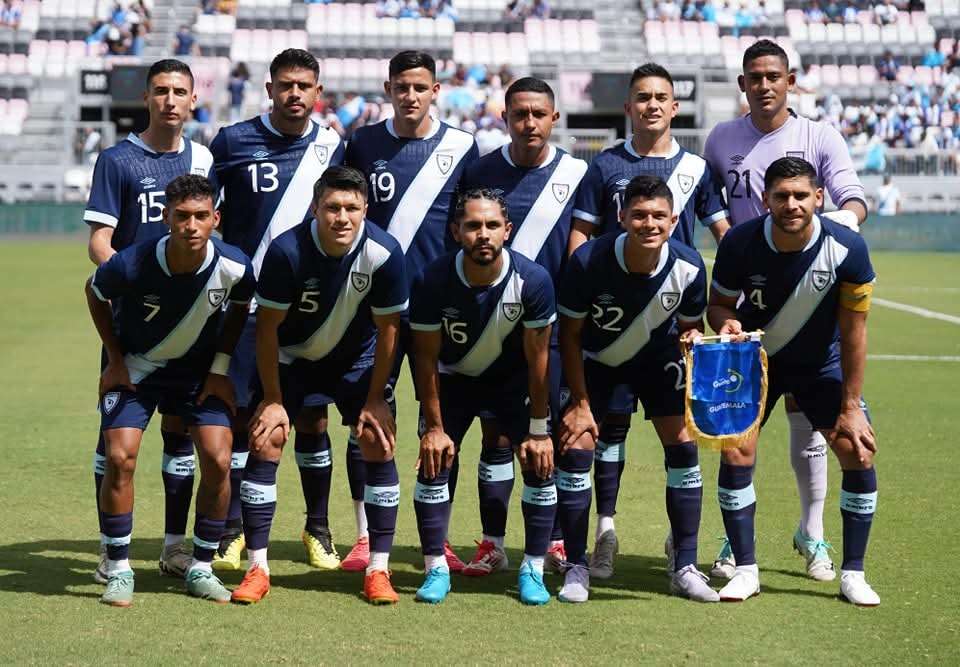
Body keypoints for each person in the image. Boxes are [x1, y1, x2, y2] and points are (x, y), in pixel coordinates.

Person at [703, 39, 868, 582]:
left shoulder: (818, 136)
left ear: (790, 80)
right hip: (748, 292)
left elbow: (851, 198)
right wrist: (739, 244)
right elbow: (713, 207)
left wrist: (832, 238)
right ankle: (736, 541)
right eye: (754, 76)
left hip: (809, 293)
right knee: (738, 437)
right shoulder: (722, 138)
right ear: (743, 84)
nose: (765, 84)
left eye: (774, 75)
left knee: (811, 426)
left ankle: (813, 532)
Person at [568, 62, 730, 579]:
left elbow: (723, 233)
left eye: (661, 97)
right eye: (642, 97)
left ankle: (681, 548)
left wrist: (739, 287)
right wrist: (581, 285)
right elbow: (581, 237)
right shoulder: (603, 165)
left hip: (667, 323)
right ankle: (605, 531)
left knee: (679, 438)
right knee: (607, 434)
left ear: (674, 107)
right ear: (629, 107)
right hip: (611, 327)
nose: (652, 105)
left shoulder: (698, 169)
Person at [230, 167, 408, 605]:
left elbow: (389, 330)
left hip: (356, 360)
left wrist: (376, 398)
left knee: (377, 440)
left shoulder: (384, 252)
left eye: (351, 208)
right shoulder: (287, 251)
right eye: (332, 207)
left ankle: (378, 570)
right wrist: (272, 400)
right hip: (292, 360)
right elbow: (266, 329)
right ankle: (257, 568)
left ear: (366, 209)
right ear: (315, 209)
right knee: (267, 439)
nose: (342, 217)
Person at [707, 157, 880, 606]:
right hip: (755, 362)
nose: (791, 204)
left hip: (821, 365)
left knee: (857, 450)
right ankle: (745, 569)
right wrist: (726, 324)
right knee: (737, 450)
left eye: (801, 195)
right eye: (781, 196)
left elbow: (855, 332)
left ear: (819, 198)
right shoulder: (741, 243)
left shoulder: (847, 249)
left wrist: (851, 406)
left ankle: (854, 573)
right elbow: (719, 306)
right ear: (765, 200)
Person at [86, 174, 255, 607]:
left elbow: (240, 307)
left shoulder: (235, 264)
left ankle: (200, 566)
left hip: (198, 373)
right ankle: (119, 568)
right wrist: (116, 359)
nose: (192, 225)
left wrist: (220, 367)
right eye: (182, 216)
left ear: (216, 218)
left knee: (219, 458)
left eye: (201, 216)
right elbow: (94, 290)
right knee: (120, 456)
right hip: (137, 369)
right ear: (166, 218)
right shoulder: (134, 261)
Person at [209, 48, 345, 572]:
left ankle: (319, 529)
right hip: (247, 307)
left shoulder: (334, 146)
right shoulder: (233, 141)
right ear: (269, 89)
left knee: (312, 417)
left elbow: (343, 218)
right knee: (246, 418)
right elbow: (208, 211)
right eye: (285, 84)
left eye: (304, 85)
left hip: (311, 309)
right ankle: (234, 531)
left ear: (318, 92)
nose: (295, 94)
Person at [343, 50, 479, 572]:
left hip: (435, 307)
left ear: (436, 90)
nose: (410, 95)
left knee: (437, 420)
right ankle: (362, 534)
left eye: (419, 87)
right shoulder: (362, 143)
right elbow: (348, 211)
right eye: (401, 86)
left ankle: (436, 537)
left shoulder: (462, 148)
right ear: (388, 88)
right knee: (369, 415)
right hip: (370, 303)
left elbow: (469, 221)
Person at [84, 59, 216, 584]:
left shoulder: (204, 157)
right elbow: (99, 239)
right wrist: (132, 277)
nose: (170, 101)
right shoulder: (117, 160)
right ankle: (107, 549)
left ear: (192, 99)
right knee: (114, 441)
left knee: (180, 438)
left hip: (191, 324)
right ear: (146, 97)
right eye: (160, 91)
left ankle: (173, 546)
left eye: (179, 91)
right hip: (132, 321)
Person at [557, 175, 715, 604]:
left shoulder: (689, 266)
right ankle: (575, 564)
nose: (649, 224)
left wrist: (695, 346)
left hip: (656, 361)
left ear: (674, 219)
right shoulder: (588, 261)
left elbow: (689, 329)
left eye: (659, 216)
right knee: (575, 450)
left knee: (684, 450)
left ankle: (684, 565)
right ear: (622, 216)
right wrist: (581, 403)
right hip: (598, 364)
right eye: (639, 215)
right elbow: (569, 336)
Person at [458, 76, 588, 576]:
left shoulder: (578, 173)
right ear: (505, 117)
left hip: (549, 330)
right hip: (489, 327)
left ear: (554, 118)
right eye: (519, 114)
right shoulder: (482, 171)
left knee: (545, 436)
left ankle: (553, 541)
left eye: (538, 113)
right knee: (496, 437)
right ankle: (492, 542)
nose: (529, 122)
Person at [410, 188, 557, 605]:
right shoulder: (432, 279)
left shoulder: (534, 280)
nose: (483, 234)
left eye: (492, 225)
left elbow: (540, 360)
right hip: (452, 380)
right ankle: (435, 567)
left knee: (539, 462)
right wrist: (434, 427)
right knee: (433, 462)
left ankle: (533, 568)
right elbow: (424, 358)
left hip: (512, 383)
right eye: (473, 225)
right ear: (457, 231)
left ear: (507, 231)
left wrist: (539, 430)